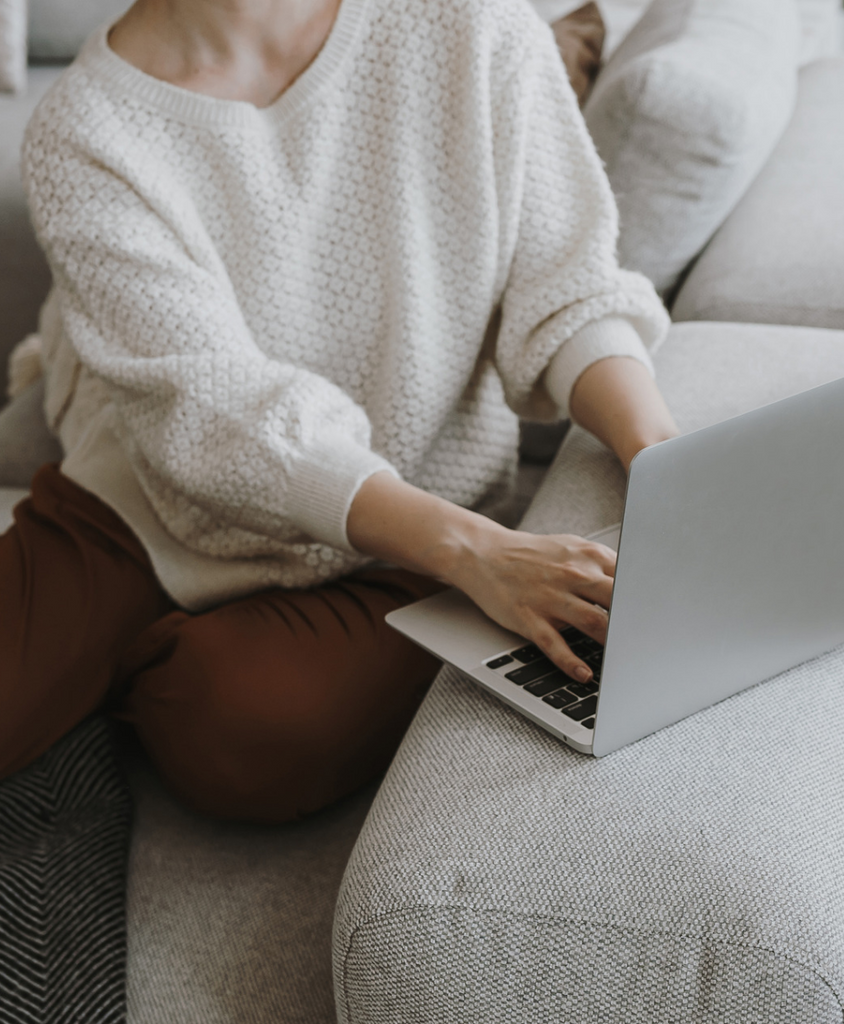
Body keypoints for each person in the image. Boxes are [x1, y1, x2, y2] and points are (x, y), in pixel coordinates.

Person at [0, 0, 677, 822]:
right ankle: (127, 657)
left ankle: (143, 668)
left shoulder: (478, 28)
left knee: (239, 733)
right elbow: (215, 413)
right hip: (148, 505)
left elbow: (571, 292)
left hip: (408, 530)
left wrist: (659, 455)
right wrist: (476, 555)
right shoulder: (84, 128)